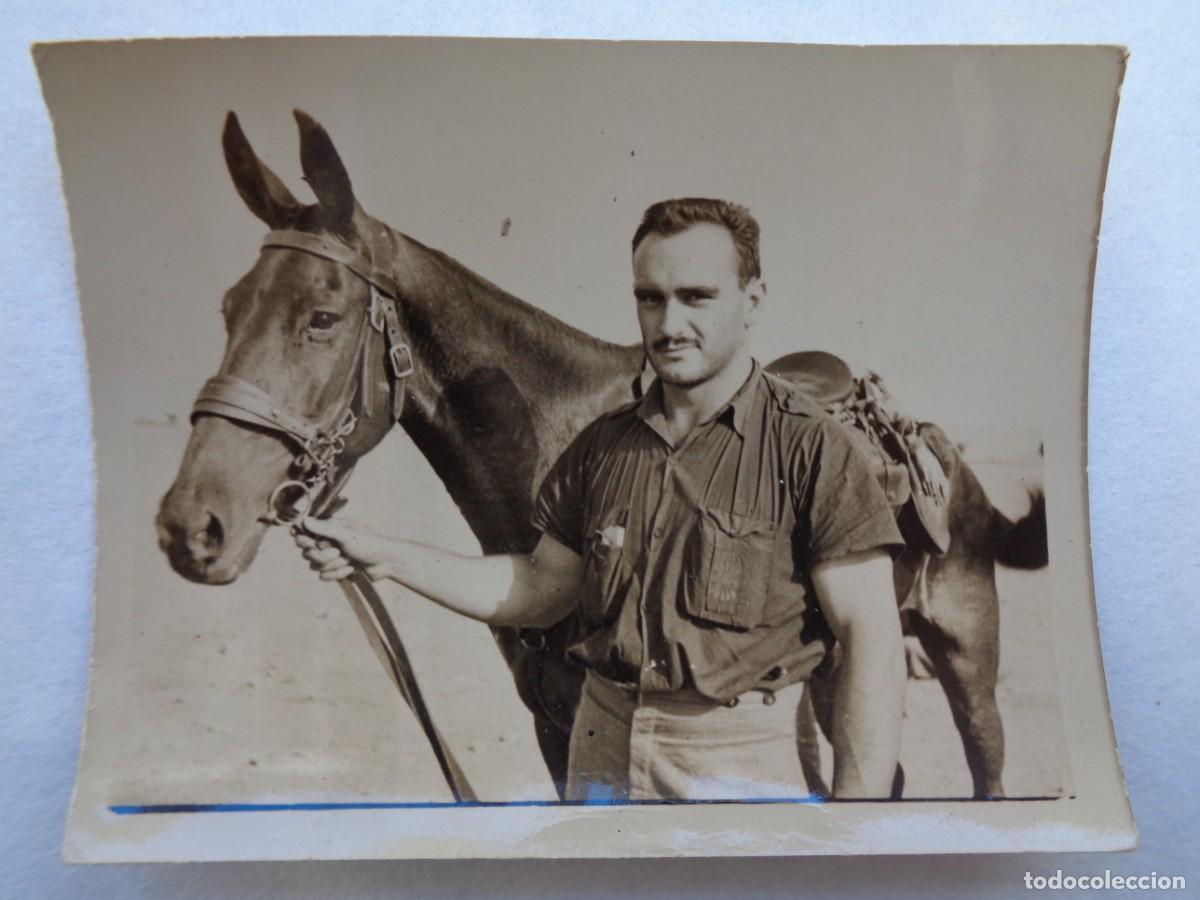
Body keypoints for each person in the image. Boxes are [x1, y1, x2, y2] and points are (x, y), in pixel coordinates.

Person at [295, 198, 907, 801]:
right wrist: (382, 554)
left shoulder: (810, 447)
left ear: (752, 303)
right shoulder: (600, 448)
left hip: (739, 766)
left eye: (697, 297)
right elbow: (539, 589)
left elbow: (870, 640)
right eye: (650, 297)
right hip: (602, 752)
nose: (668, 326)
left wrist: (856, 819)